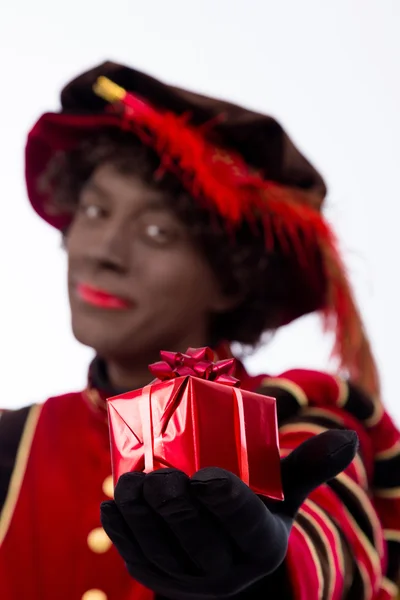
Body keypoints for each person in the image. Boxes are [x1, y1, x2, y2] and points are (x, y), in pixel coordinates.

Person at [0, 61, 399, 600]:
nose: (103, 252)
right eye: (94, 210)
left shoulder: (297, 412)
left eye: (159, 231)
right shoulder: (10, 443)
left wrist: (268, 576)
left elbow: (328, 542)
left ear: (232, 278)